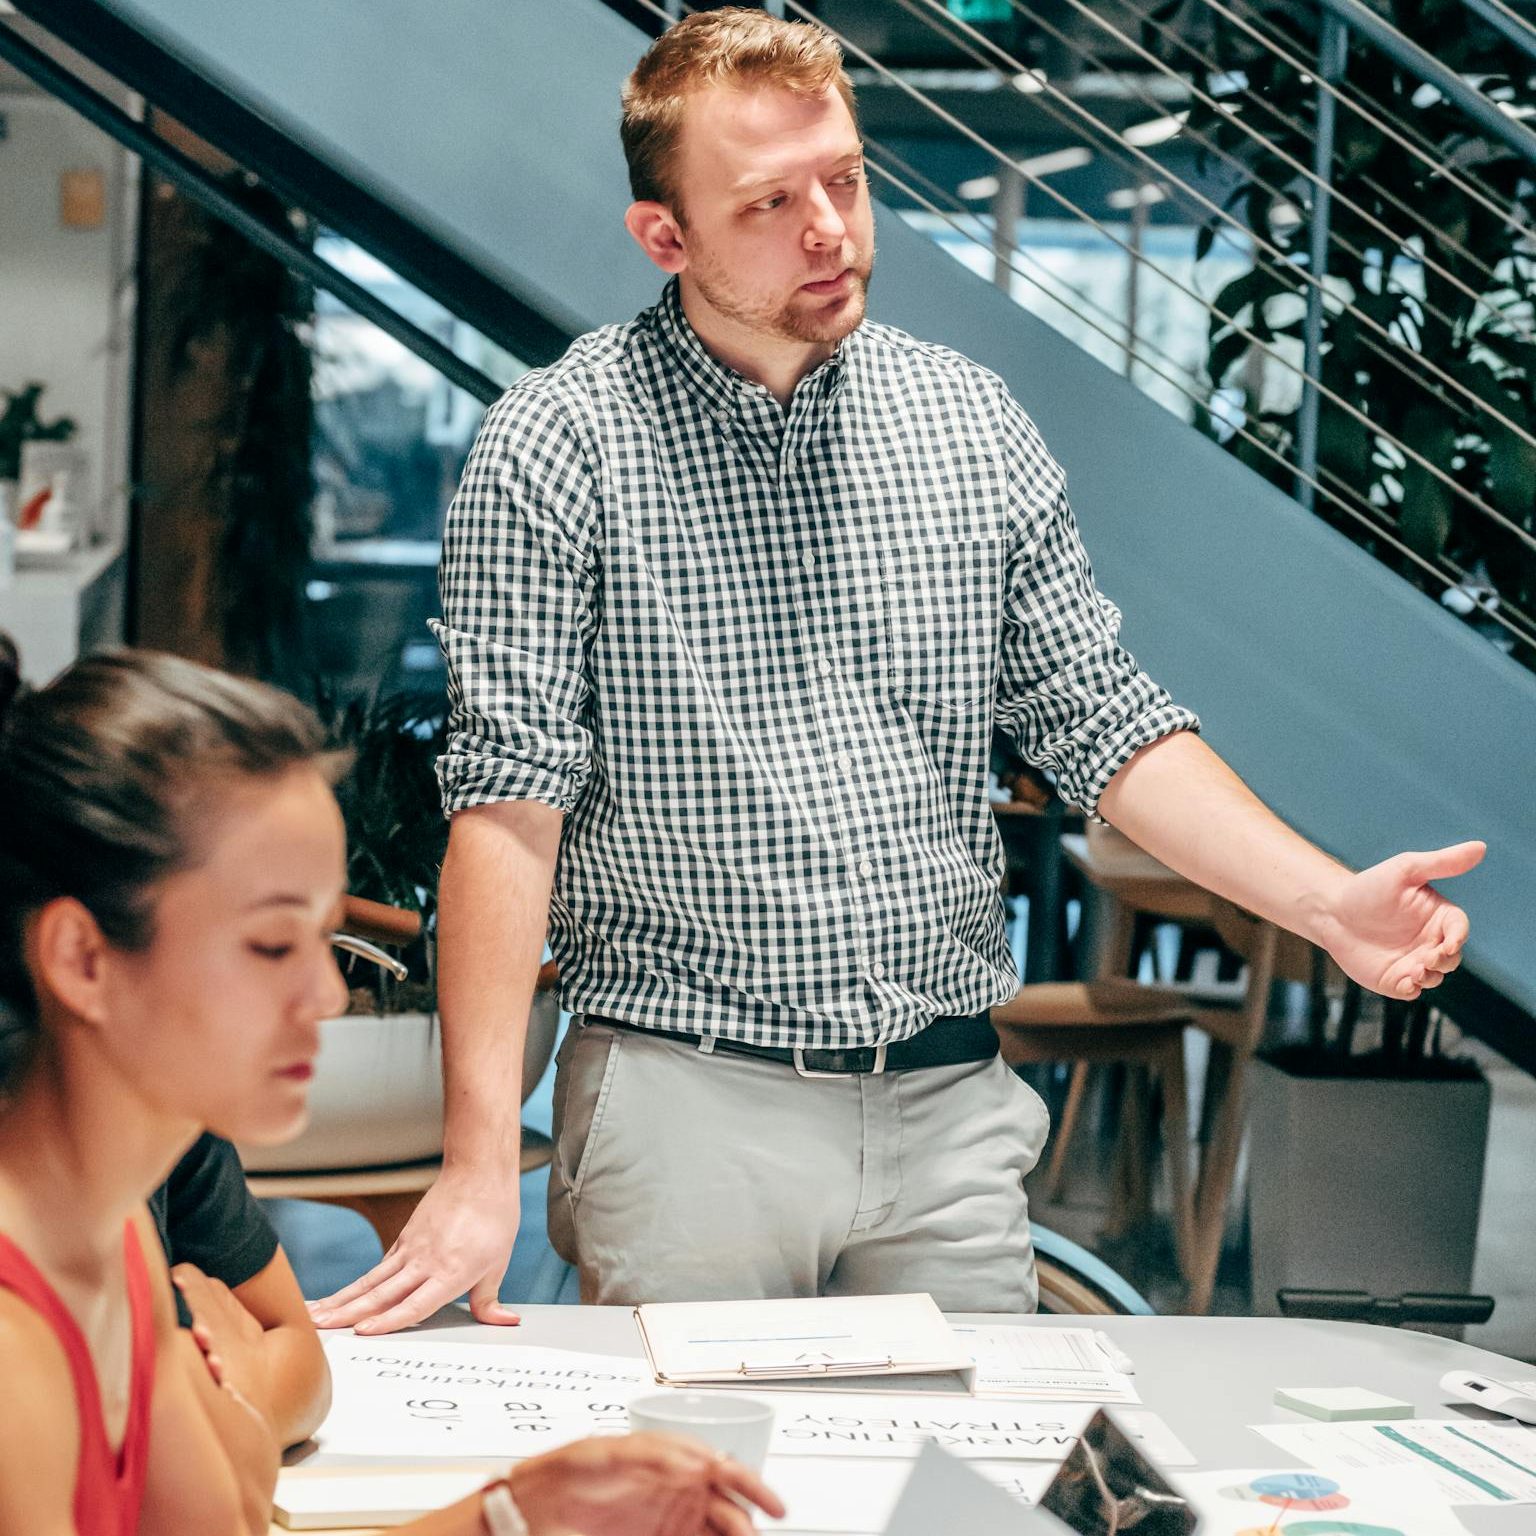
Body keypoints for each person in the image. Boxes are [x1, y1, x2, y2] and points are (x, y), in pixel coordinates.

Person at [310, 8, 1482, 1332]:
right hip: (691, 1106)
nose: (829, 227)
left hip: (946, 1111)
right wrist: (475, 1163)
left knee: (971, 1503)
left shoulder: (968, 423)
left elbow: (1104, 722)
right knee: (708, 1503)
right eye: (769, 202)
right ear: (667, 237)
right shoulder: (558, 446)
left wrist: (1325, 904)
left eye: (846, 180)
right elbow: (508, 815)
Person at [0, 648, 780, 1536]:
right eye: (269, 947)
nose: (327, 996)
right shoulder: (15, 1339)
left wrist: (515, 1514)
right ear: (82, 959)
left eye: (325, 940)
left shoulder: (116, 1243)